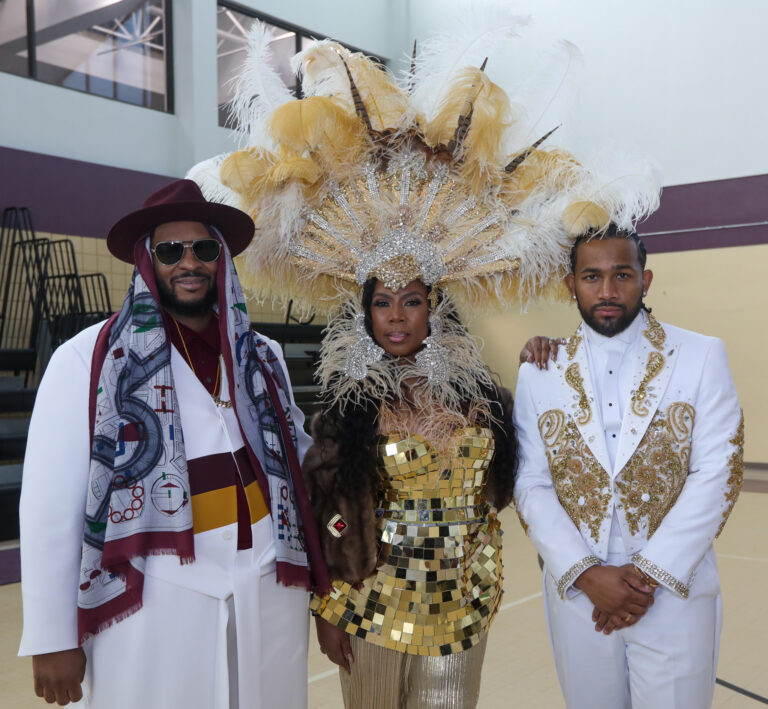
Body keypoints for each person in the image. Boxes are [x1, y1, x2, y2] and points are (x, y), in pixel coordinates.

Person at [190, 19, 661, 708]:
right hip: (371, 612)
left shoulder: (485, 397)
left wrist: (548, 356)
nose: (398, 317)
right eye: (383, 303)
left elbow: (524, 472)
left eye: (412, 301)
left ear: (435, 305)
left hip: (462, 612)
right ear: (365, 309)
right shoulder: (345, 410)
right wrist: (329, 604)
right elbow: (325, 509)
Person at [18, 179, 329, 708]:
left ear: (222, 259)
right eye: (170, 251)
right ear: (147, 262)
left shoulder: (263, 354)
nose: (190, 262)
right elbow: (48, 508)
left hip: (268, 587)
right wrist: (53, 637)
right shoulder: (87, 358)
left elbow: (301, 469)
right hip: (156, 595)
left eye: (203, 248)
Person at [513, 226, 744, 708]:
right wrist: (586, 574)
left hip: (671, 587)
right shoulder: (539, 370)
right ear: (570, 285)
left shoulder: (700, 355)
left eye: (623, 275)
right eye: (592, 277)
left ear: (647, 279)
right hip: (580, 591)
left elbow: (719, 472)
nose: (608, 291)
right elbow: (530, 482)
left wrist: (648, 574)